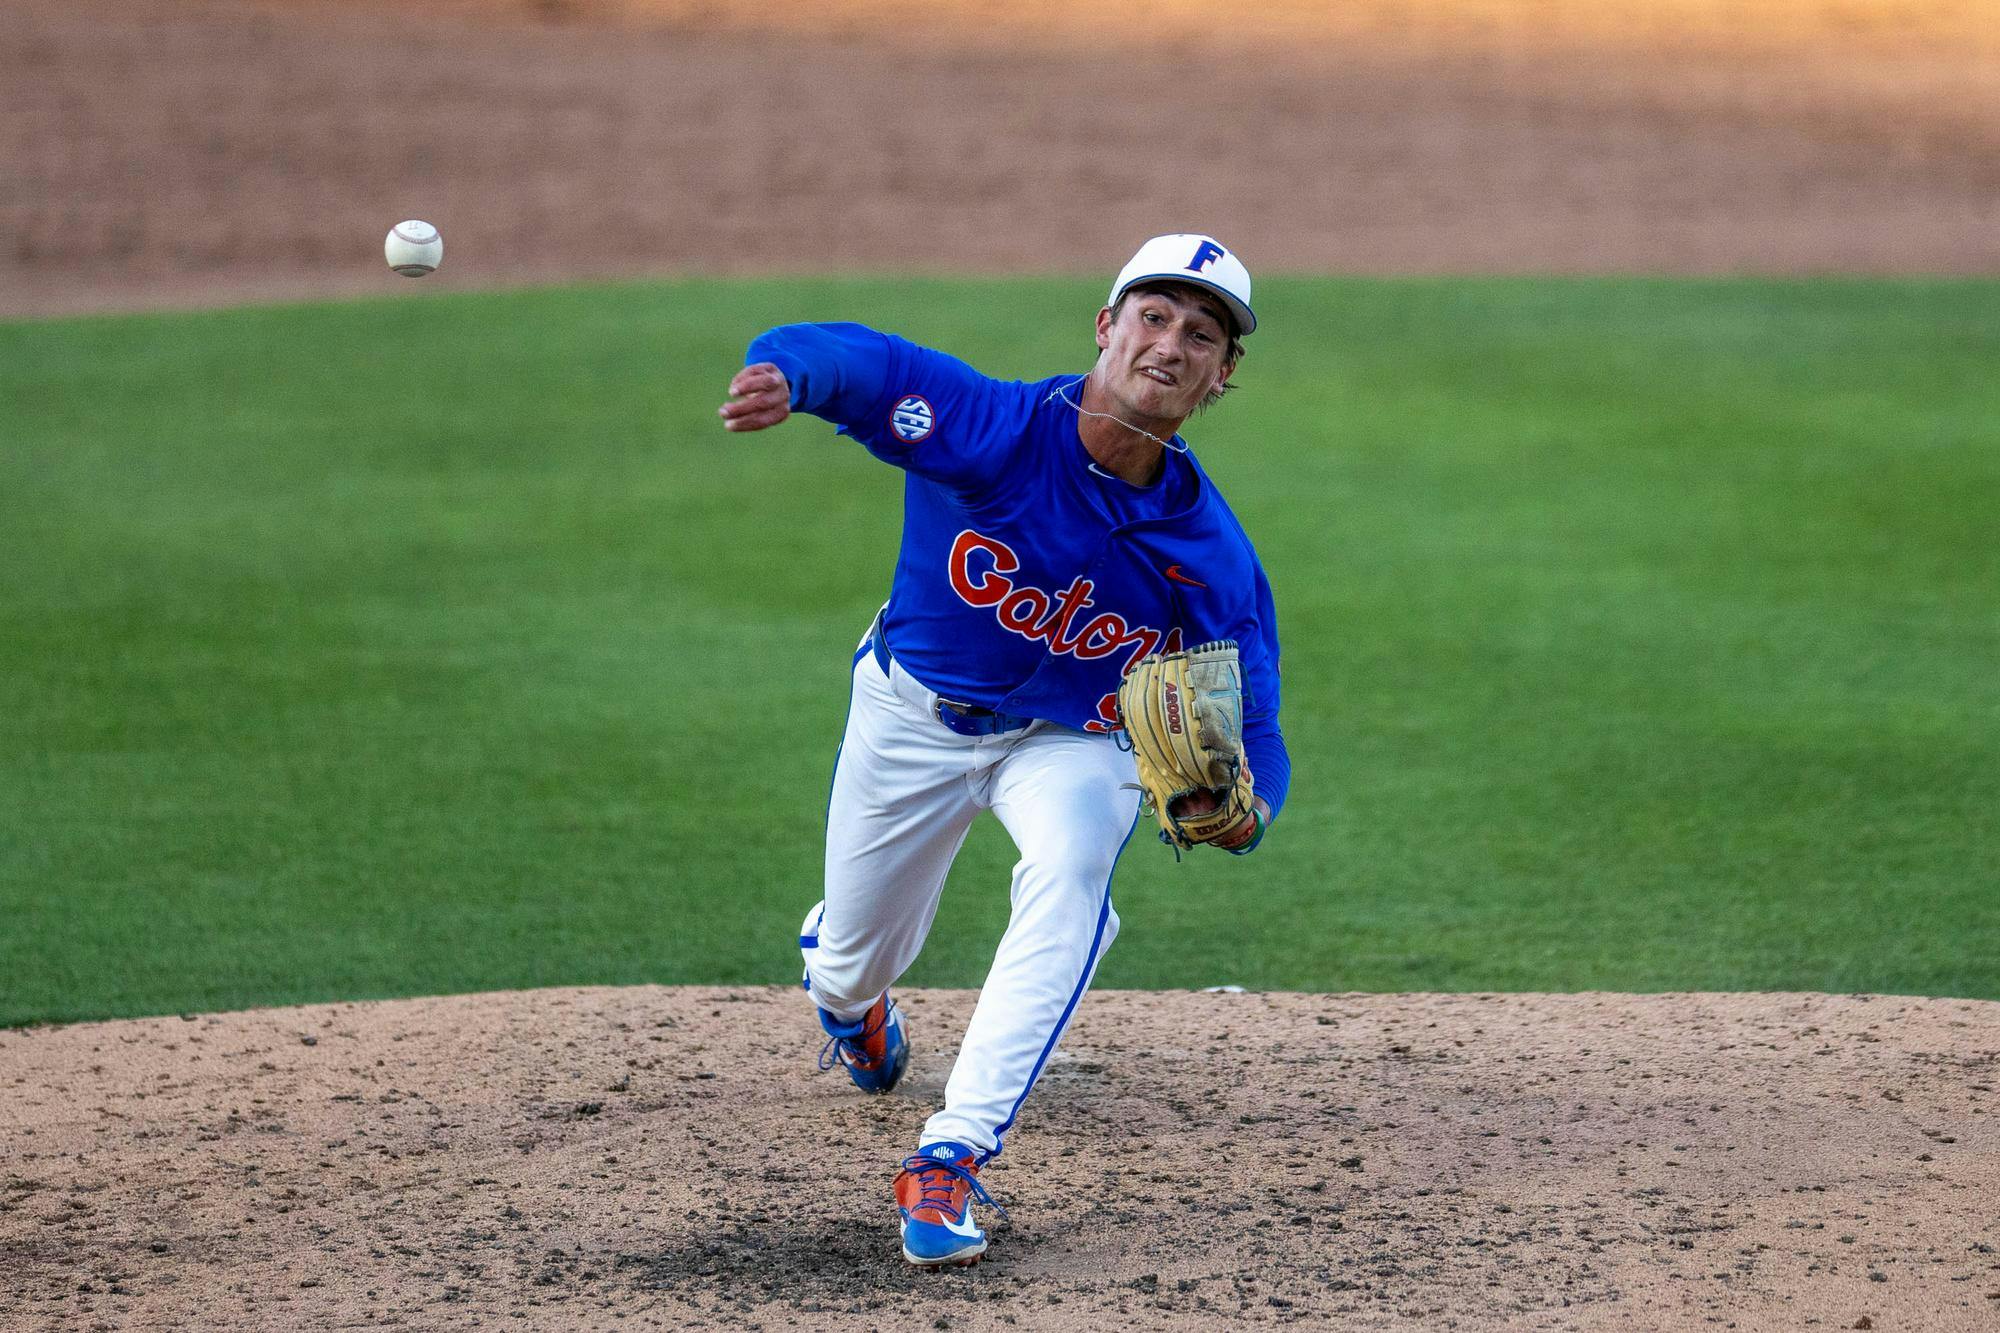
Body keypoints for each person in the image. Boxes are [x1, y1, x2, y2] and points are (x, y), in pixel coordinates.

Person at [717, 234, 1290, 1268]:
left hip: (1075, 741)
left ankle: (951, 1155)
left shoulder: (1208, 554)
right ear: (1106, 328)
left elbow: (1252, 724)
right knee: (852, 961)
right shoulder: (992, 429)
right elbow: (863, 363)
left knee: (1073, 872)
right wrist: (784, 374)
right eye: (1152, 317)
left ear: (1219, 380)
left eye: (1200, 335)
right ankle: (851, 1003)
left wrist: (1249, 810)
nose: (1170, 344)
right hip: (910, 717)